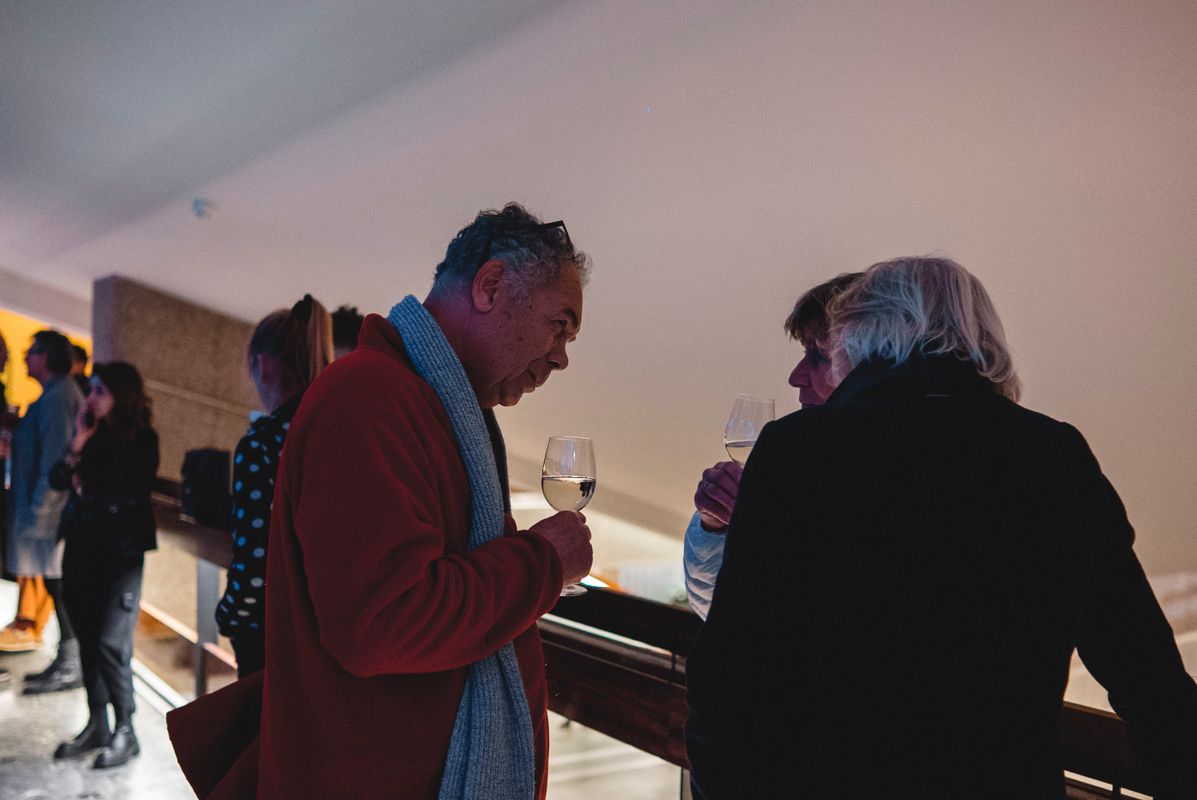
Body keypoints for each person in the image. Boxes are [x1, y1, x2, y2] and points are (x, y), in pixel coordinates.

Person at [684, 257, 1197, 798]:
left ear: (860, 335)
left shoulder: (801, 448)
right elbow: (1143, 669)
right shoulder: (1055, 455)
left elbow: (730, 674)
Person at [168, 203, 594, 800]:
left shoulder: (433, 408)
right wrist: (542, 561)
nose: (561, 356)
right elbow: (383, 622)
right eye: (559, 324)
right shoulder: (366, 399)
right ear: (491, 285)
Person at [684, 273, 860, 618]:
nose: (795, 376)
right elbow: (714, 609)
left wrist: (761, 532)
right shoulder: (796, 461)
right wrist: (715, 527)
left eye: (818, 356)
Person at [215, 294, 333, 678]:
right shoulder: (334, 431)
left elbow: (255, 560)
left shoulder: (263, 441)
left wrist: (229, 614)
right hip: (329, 628)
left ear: (263, 365)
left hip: (271, 632)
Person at [49, 362, 159, 768]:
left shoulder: (142, 438)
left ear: (121, 395)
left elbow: (128, 484)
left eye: (100, 390)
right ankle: (98, 722)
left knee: (113, 642)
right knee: (88, 638)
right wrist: (79, 441)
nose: (91, 397)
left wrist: (87, 482)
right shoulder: (89, 435)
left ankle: (126, 729)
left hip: (120, 553)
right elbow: (58, 478)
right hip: (83, 547)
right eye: (91, 389)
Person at [0, 331, 82, 680]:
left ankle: (70, 662)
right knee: (54, 586)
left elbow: (55, 461)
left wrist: (39, 512)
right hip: (45, 515)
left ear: (46, 357)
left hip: (48, 517)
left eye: (31, 351)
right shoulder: (53, 395)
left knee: (58, 587)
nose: (24, 357)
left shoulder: (58, 397)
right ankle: (68, 660)